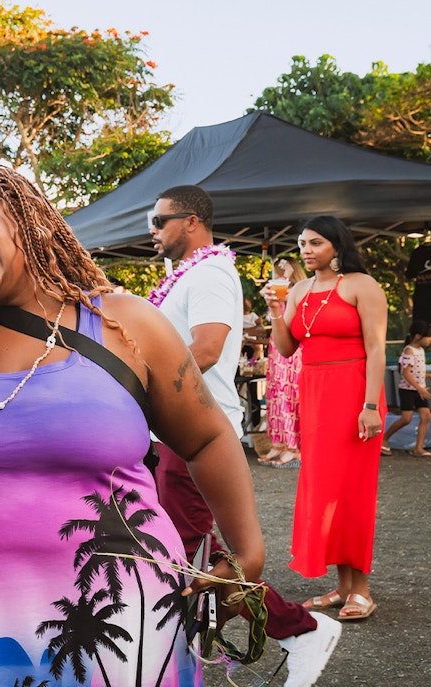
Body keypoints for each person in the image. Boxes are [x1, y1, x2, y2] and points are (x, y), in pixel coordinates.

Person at [0, 165, 264, 687]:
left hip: (123, 614)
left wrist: (247, 554)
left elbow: (206, 438)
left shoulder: (127, 325)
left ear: (21, 216)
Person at [146, 186, 339, 687]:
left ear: (191, 222)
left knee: (186, 553)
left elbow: (206, 349)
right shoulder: (184, 274)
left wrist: (138, 384)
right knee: (191, 553)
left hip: (195, 431)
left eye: (159, 219)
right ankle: (191, 642)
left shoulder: (210, 272)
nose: (151, 229)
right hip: (176, 430)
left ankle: (302, 628)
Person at [264, 215, 387, 623]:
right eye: (302, 243)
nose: (306, 250)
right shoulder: (299, 289)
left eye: (315, 243)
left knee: (352, 491)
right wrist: (276, 310)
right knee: (324, 490)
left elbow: (377, 349)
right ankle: (343, 586)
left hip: (355, 392)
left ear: (337, 245)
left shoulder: (361, 286)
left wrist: (370, 406)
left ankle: (362, 590)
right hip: (315, 394)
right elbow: (285, 348)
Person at [262, 256, 308, 467]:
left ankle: (293, 446)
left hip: (292, 347)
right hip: (275, 347)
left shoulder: (299, 290)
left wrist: (286, 279)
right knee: (274, 394)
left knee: (288, 395)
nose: (280, 271)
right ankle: (278, 443)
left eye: (284, 267)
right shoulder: (278, 288)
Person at [381, 320, 431, 456]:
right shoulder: (409, 350)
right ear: (418, 336)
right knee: (406, 418)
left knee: (426, 416)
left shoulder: (420, 351)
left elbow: (417, 371)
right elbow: (406, 373)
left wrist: (427, 376)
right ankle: (384, 438)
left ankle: (418, 448)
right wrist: (419, 389)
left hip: (419, 389)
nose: (429, 340)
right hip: (408, 390)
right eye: (428, 336)